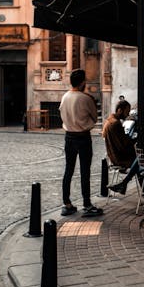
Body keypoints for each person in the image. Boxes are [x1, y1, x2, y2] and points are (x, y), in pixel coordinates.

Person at [59, 69, 103, 218]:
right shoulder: (85, 98)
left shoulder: (65, 97)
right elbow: (94, 117)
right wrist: (86, 124)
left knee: (68, 170)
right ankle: (87, 204)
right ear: (83, 82)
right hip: (83, 137)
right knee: (85, 171)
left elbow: (62, 115)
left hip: (69, 137)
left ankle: (67, 203)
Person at [102, 99, 144, 196]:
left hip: (113, 156)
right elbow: (123, 146)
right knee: (142, 162)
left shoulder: (109, 121)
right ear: (119, 110)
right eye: (127, 111)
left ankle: (124, 185)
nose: (128, 114)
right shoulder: (116, 123)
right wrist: (134, 140)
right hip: (120, 158)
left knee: (140, 163)